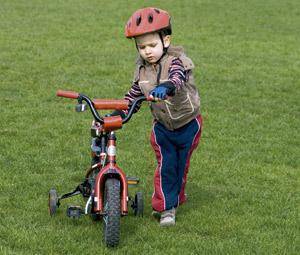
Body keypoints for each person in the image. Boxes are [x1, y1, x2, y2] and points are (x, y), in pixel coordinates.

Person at [114, 7, 203, 226]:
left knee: (181, 166)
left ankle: (176, 197)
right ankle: (165, 209)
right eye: (142, 47)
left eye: (152, 45)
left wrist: (167, 87)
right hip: (162, 128)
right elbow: (133, 97)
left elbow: (177, 78)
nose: (147, 51)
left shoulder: (176, 61)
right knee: (166, 166)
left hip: (189, 124)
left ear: (166, 40)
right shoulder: (142, 71)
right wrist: (119, 112)